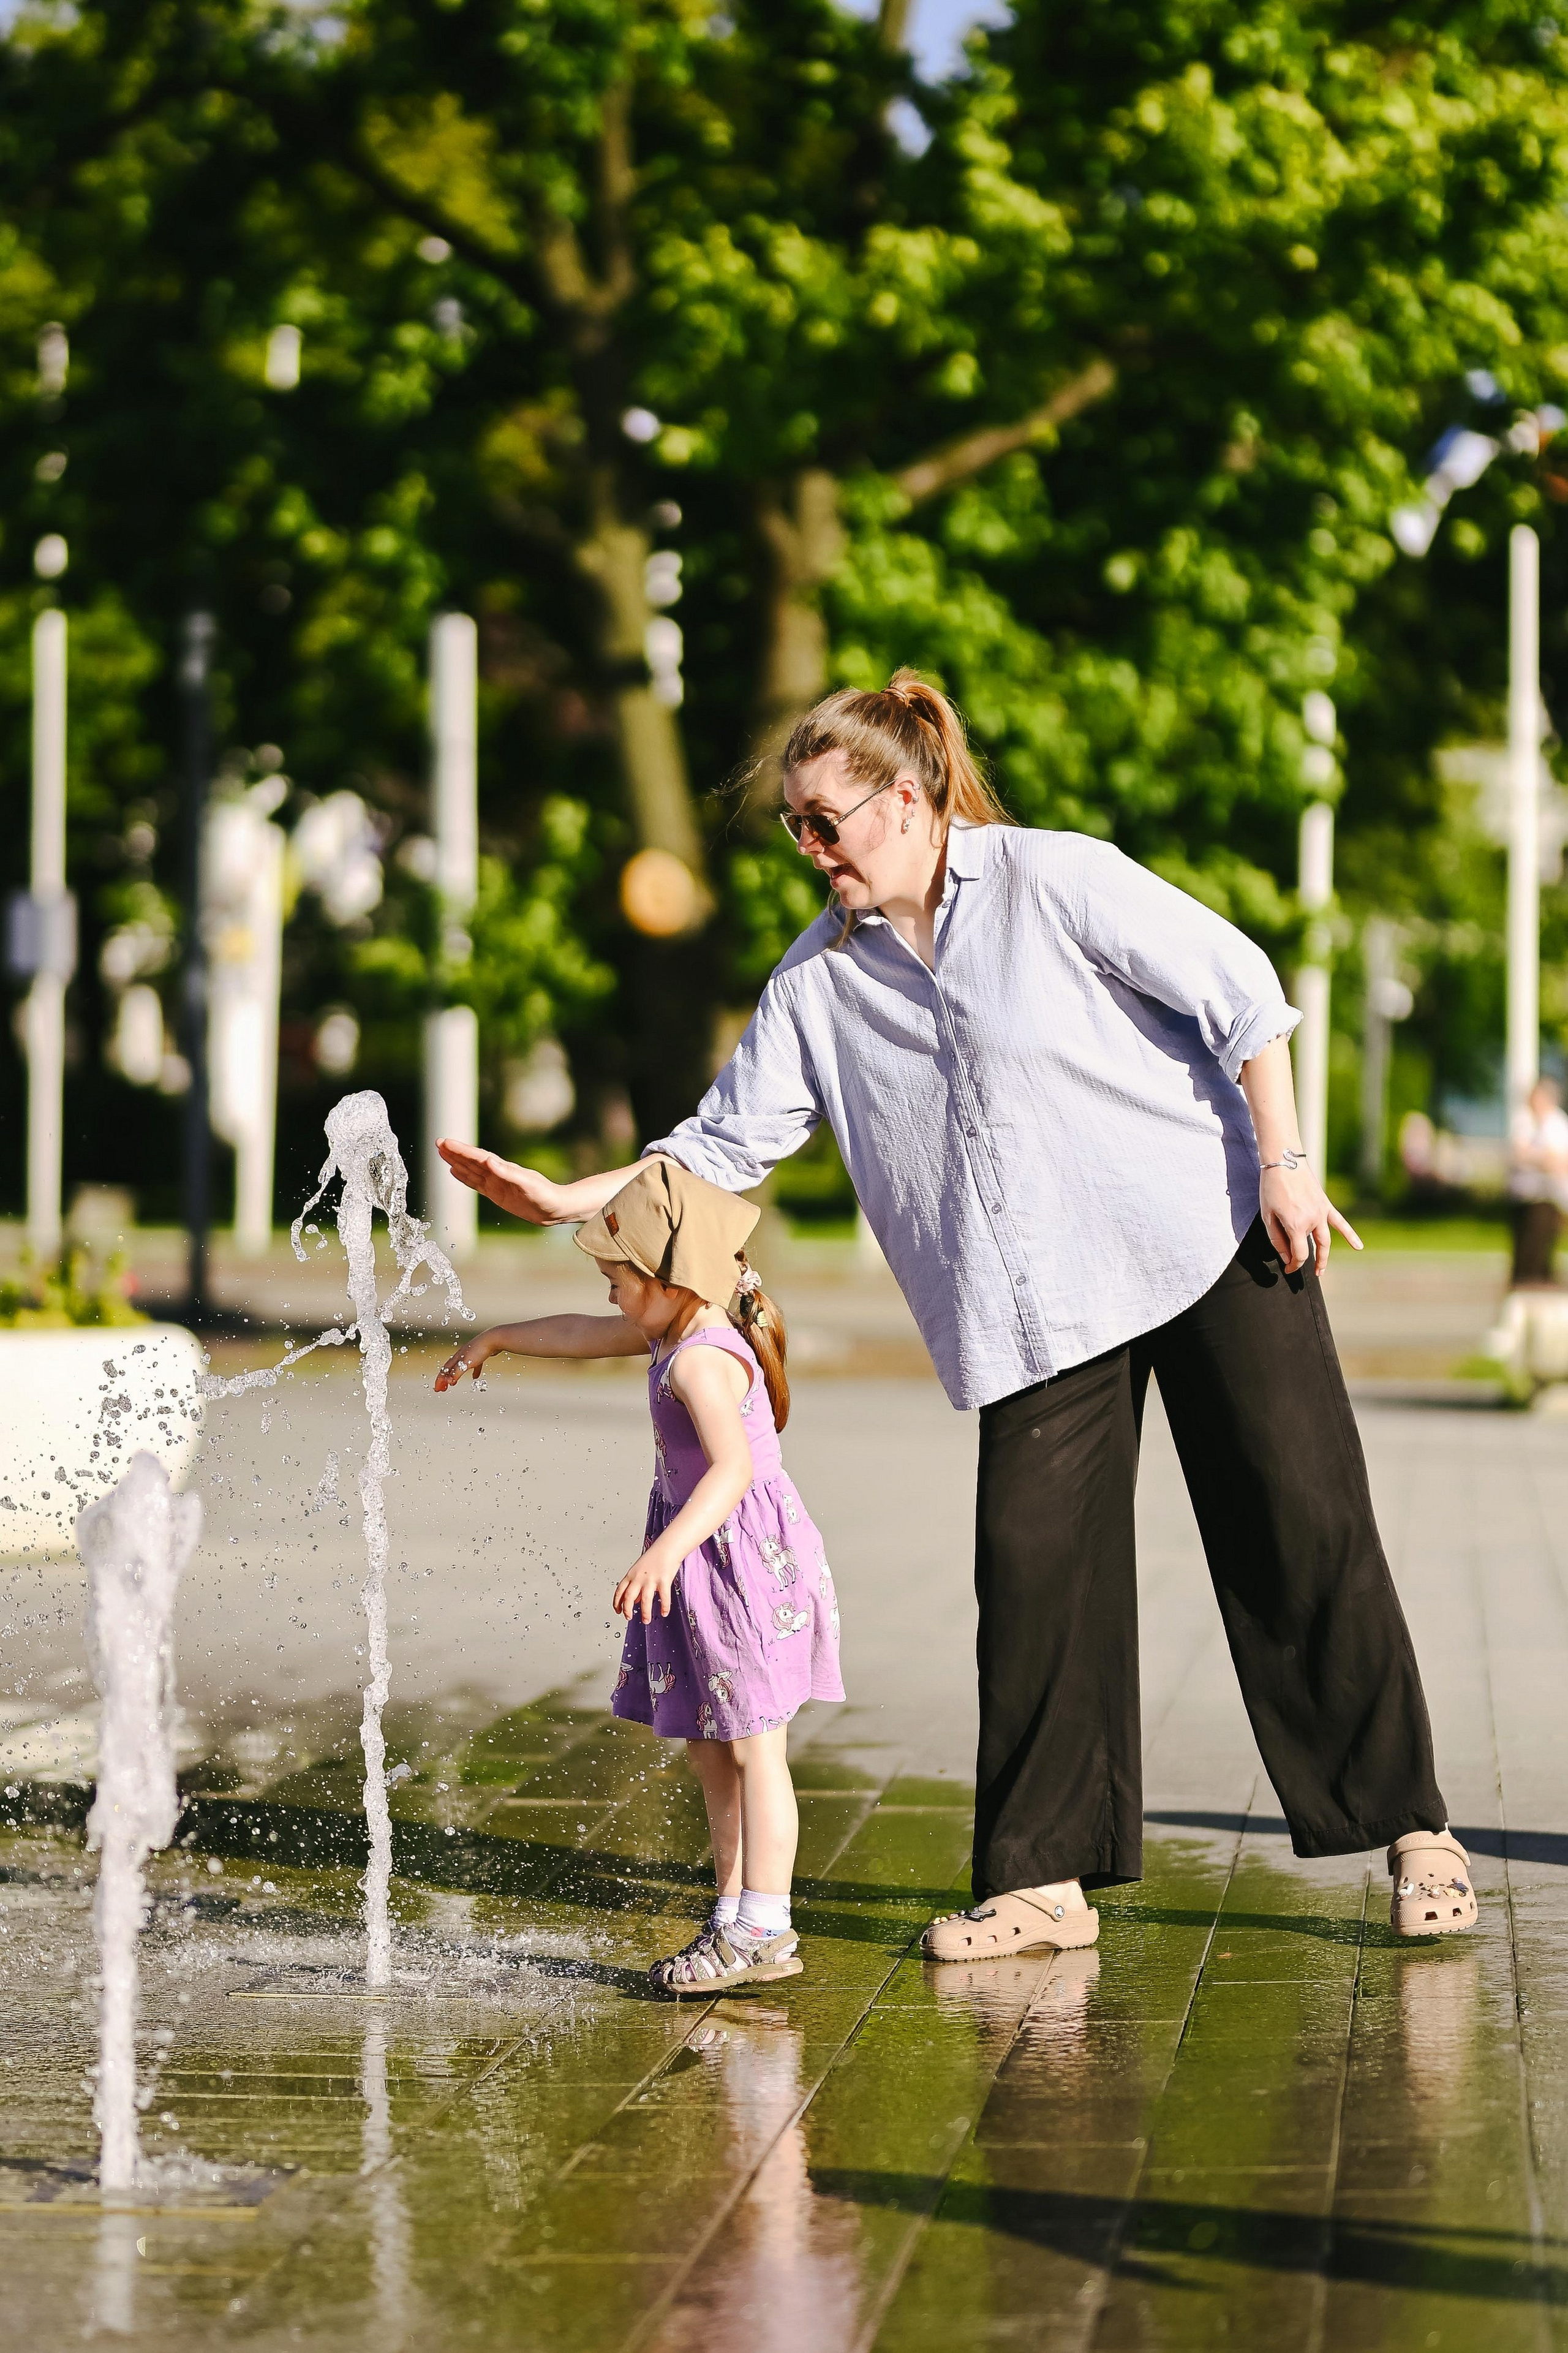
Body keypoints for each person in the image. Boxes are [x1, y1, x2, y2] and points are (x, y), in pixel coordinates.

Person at [437, 671, 1477, 1955]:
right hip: (1033, 1306)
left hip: (1205, 1238)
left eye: (828, 822)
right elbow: (714, 1149)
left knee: (1298, 1535)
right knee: (1031, 1570)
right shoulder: (818, 985)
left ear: (910, 797)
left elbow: (1241, 990)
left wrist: (1285, 1164)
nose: (811, 851)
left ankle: (1412, 1829)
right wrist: (554, 1198)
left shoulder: (1049, 881)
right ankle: (1042, 1884)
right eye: (794, 829)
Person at [435, 1159, 843, 1993]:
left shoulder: (700, 1359)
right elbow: (584, 1336)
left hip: (736, 1562)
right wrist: (498, 1337)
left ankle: (766, 1923)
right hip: (705, 1559)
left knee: (758, 1744)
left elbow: (730, 1470)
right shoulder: (673, 1328)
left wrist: (664, 1551)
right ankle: (733, 1911)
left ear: (666, 1279)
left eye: (618, 1280)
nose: (610, 1296)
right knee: (710, 1742)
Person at [1507, 1075, 1568, 1288]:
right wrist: (1543, 1158)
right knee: (1523, 1247)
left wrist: (1540, 1158)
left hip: (1547, 1195)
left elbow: (1560, 1161)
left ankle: (1537, 1285)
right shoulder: (1524, 1121)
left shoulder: (1558, 1124)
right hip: (1523, 1193)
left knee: (1540, 1246)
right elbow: (1520, 1153)